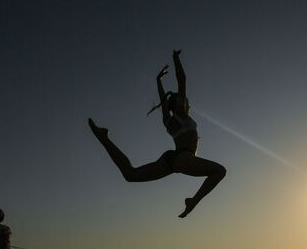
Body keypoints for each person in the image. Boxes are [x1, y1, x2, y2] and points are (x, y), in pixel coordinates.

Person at [89, 50, 226, 217]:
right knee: (219, 171)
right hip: (183, 157)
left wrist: (158, 81)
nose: (186, 100)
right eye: (182, 99)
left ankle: (104, 139)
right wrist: (176, 58)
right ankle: (193, 201)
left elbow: (163, 102)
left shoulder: (168, 121)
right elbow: (182, 79)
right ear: (180, 104)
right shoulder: (181, 114)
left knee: (130, 175)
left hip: (171, 159)